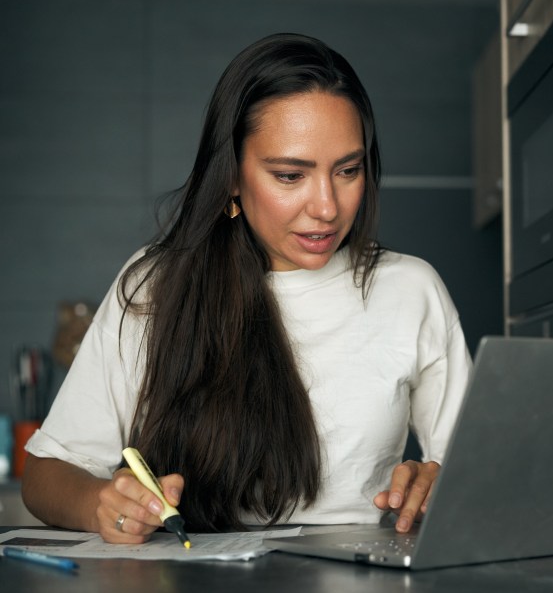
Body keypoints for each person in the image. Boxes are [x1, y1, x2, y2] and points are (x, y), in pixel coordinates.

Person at [21, 33, 471, 544]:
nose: (326, 206)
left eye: (348, 170)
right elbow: (44, 474)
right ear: (232, 176)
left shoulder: (410, 289)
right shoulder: (156, 286)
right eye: (289, 176)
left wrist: (439, 484)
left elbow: (483, 479)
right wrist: (101, 504)